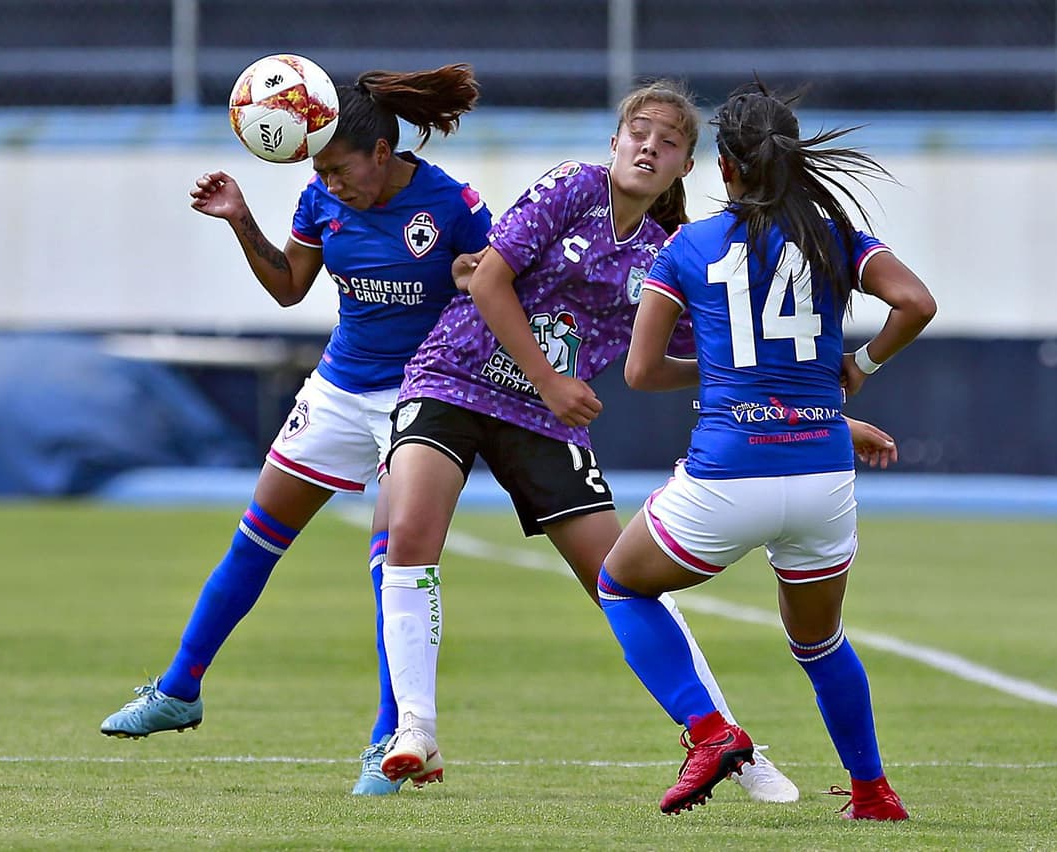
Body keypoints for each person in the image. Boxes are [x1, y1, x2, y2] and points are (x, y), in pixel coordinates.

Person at [373, 79, 899, 803]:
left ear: (690, 165)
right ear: (614, 142)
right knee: (410, 531)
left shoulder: (665, 250)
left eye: (669, 141)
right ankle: (414, 730)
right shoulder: (571, 187)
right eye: (638, 133)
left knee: (619, 577)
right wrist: (551, 380)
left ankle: (728, 742)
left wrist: (823, 418)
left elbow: (731, 366)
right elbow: (490, 281)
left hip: (542, 419)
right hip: (453, 380)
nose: (649, 147)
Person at [97, 64, 493, 797]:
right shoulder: (320, 199)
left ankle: (389, 739)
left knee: (394, 564)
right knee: (255, 538)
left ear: (382, 153)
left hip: (421, 396)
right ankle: (180, 688)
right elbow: (288, 288)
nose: (328, 183)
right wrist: (240, 218)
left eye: (339, 170)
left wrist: (478, 281)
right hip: (340, 388)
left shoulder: (453, 205)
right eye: (320, 172)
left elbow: (498, 286)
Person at [594, 81, 937, 819]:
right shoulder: (833, 233)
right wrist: (858, 368)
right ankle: (873, 792)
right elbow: (916, 303)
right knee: (820, 642)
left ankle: (711, 731)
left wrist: (726, 374)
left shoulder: (689, 246)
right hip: (822, 477)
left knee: (621, 585)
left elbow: (641, 371)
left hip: (729, 474)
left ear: (724, 167)